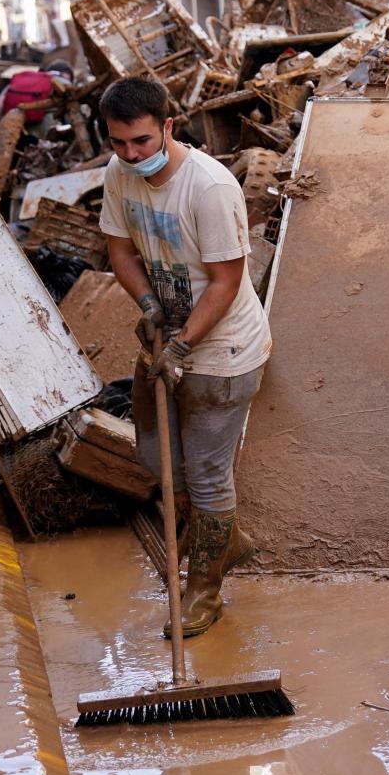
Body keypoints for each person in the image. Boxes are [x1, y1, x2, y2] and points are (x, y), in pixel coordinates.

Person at [97, 75, 272, 638]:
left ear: (168, 127)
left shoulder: (209, 188)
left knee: (206, 475)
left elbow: (225, 281)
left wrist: (181, 344)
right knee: (157, 459)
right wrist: (149, 304)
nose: (131, 155)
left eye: (142, 142)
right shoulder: (119, 176)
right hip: (167, 338)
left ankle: (205, 591)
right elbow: (119, 248)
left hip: (225, 351)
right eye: (119, 143)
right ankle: (228, 540)